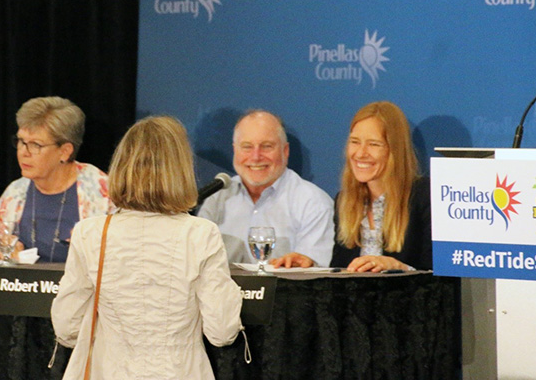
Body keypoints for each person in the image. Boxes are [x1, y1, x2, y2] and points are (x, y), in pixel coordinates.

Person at [52, 116, 242, 380]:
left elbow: (66, 327)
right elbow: (222, 331)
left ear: (122, 166)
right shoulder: (200, 234)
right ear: (181, 169)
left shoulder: (90, 233)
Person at [275, 101, 431, 272]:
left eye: (374, 144)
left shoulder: (424, 195)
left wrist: (399, 268)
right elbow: (341, 272)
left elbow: (441, 280)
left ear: (395, 149)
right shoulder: (345, 201)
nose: (360, 153)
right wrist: (310, 266)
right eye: (355, 142)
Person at [198, 109, 334, 267]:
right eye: (247, 147)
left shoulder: (313, 203)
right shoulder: (217, 197)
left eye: (266, 146)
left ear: (285, 151)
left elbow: (314, 276)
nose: (255, 157)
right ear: (235, 150)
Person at [0, 96, 109, 262]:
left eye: (36, 145)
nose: (23, 152)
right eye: (21, 141)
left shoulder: (103, 191)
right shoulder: (14, 193)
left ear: (65, 151)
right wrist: (6, 255)